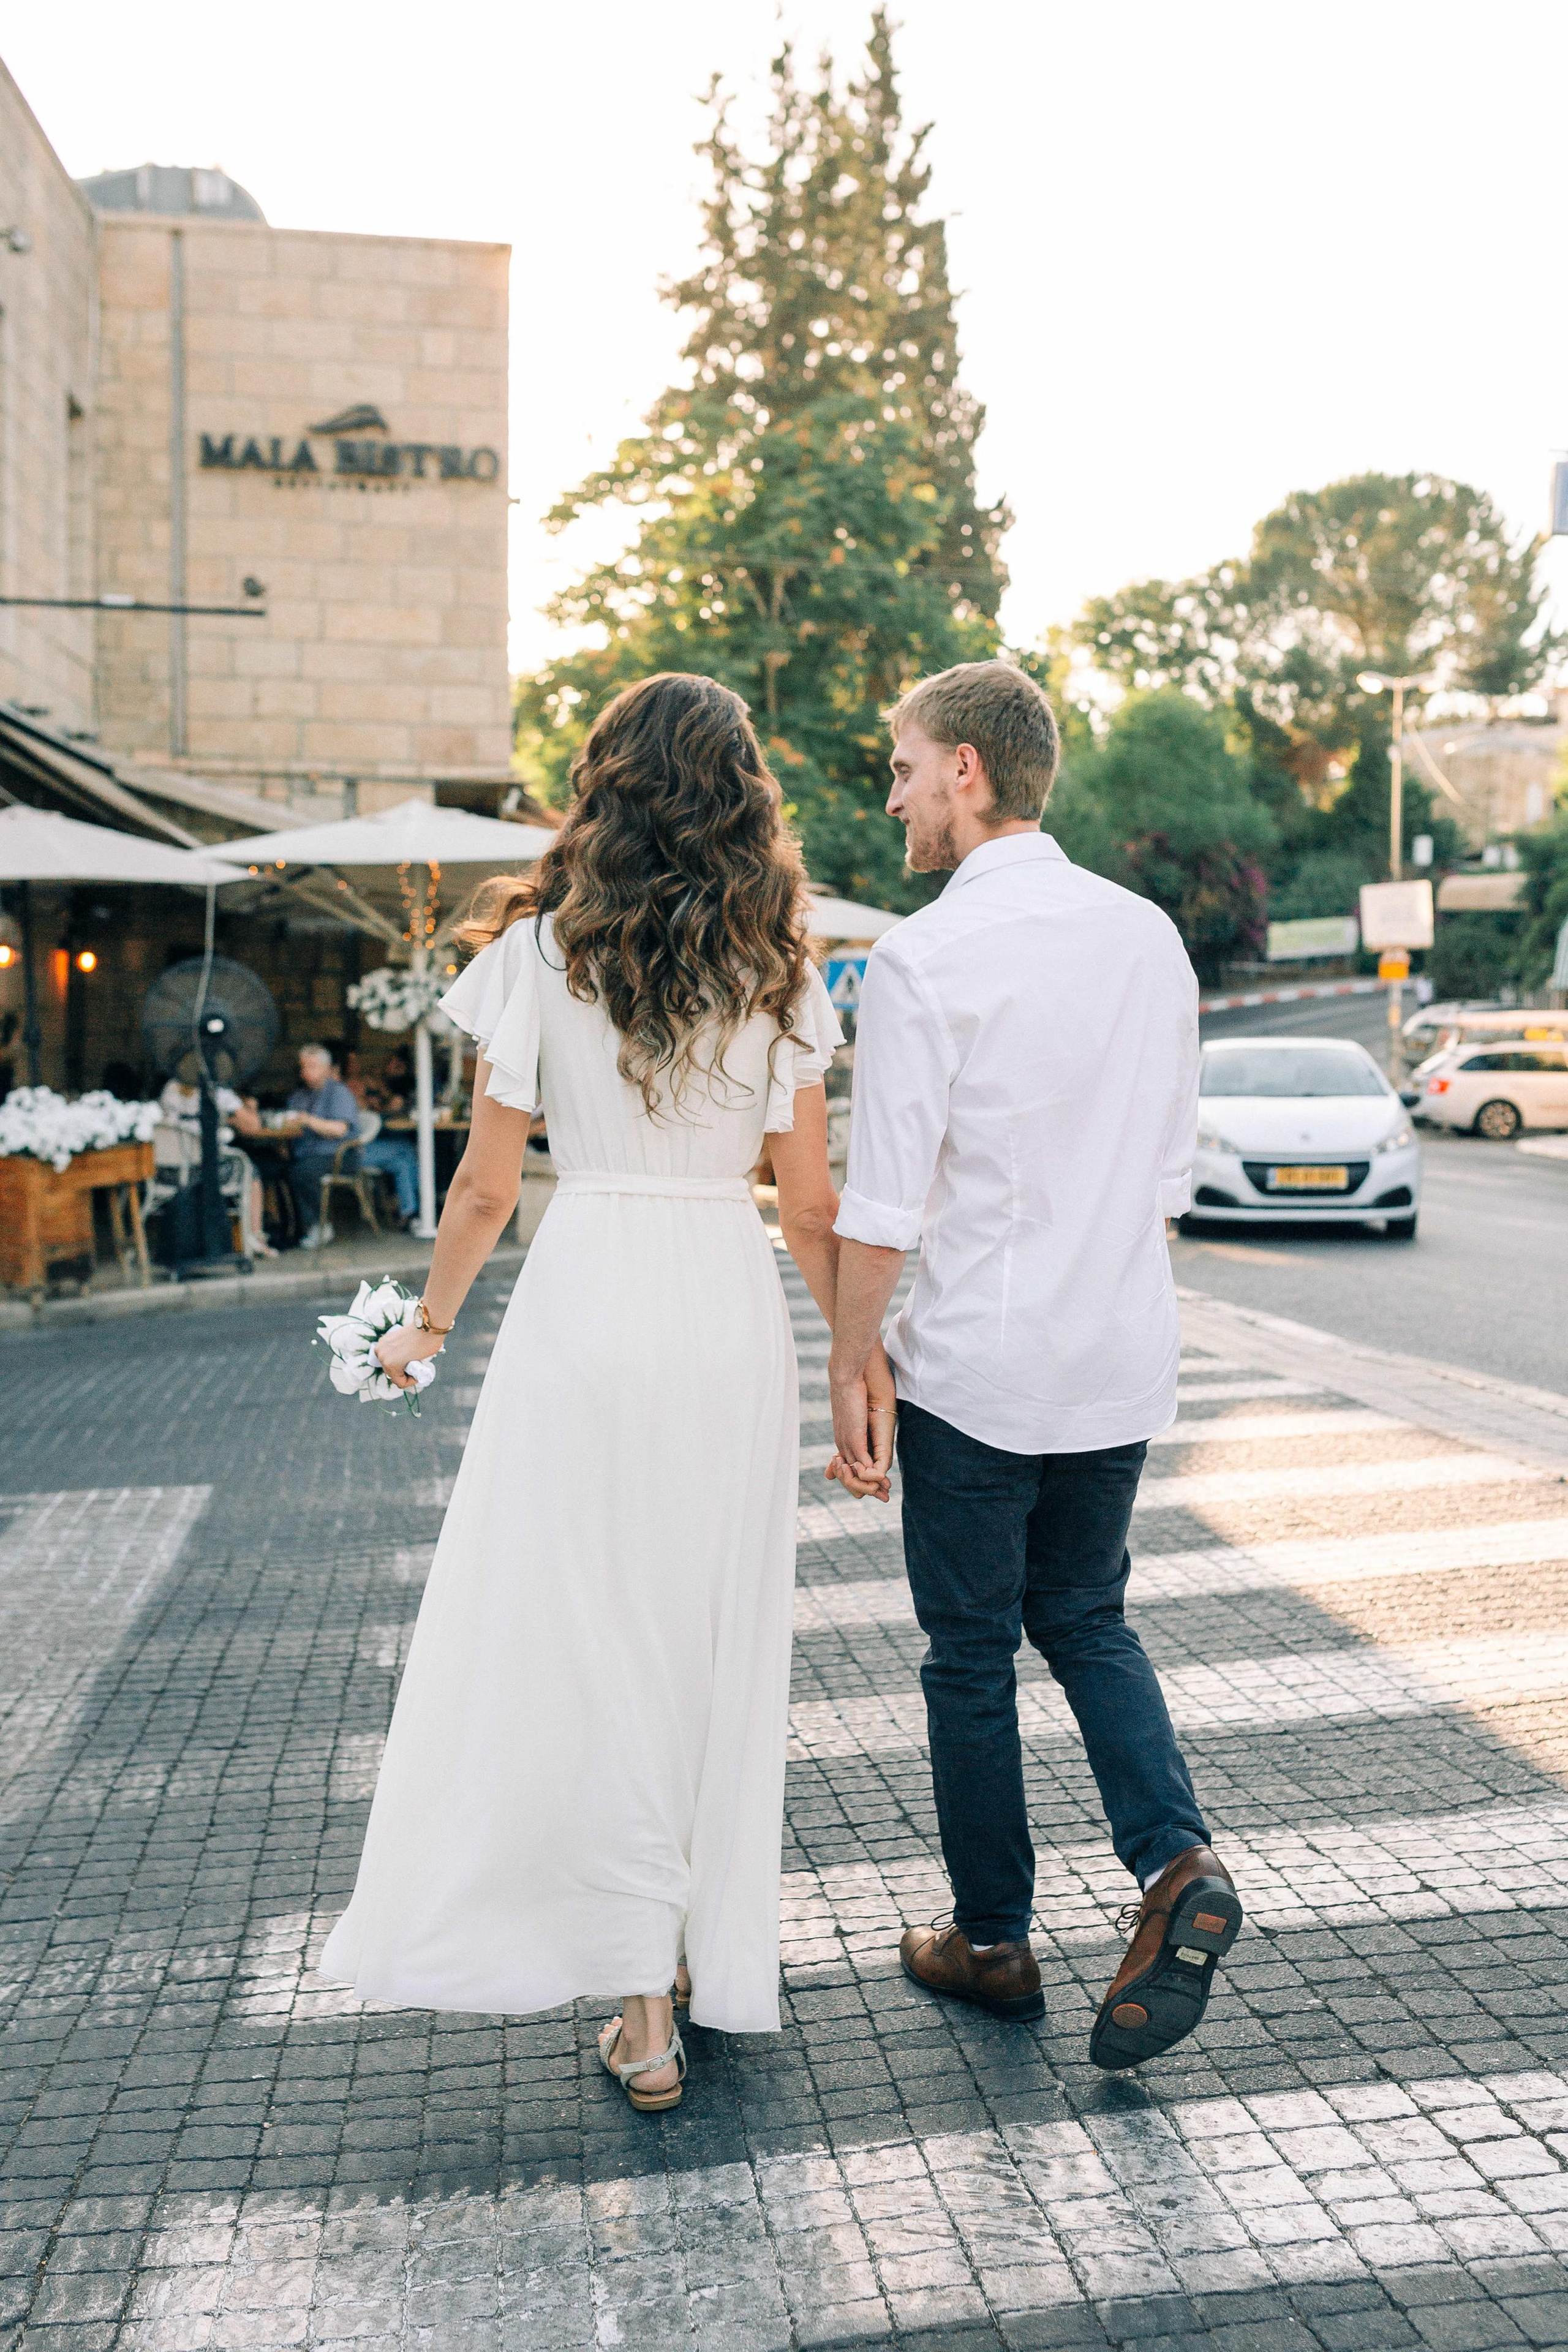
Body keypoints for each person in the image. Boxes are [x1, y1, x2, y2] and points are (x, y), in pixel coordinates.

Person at [318, 673, 896, 2111]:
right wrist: (853, 1354)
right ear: (743, 786)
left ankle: (643, 2005)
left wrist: (426, 1326)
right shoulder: (781, 955)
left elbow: (486, 1180)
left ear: (608, 777)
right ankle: (690, 1946)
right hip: (720, 1295)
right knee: (706, 1636)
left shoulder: (539, 939)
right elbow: (808, 1200)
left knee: (596, 1637)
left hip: (585, 1294)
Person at [825, 660, 1242, 2072]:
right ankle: (1172, 1864)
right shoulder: (1147, 942)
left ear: (968, 771)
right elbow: (1168, 1172)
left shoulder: (921, 958)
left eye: (902, 764)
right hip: (1115, 1351)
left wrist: (846, 1356)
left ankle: (991, 1941)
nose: (888, 792)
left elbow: (880, 1204)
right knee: (1086, 1619)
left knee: (966, 1654)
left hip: (978, 1369)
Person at [157, 1071, 274, 1257]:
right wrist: (250, 1107)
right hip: (204, 1172)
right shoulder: (217, 1092)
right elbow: (253, 1127)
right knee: (249, 1171)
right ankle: (255, 1238)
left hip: (168, 1173)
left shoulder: (169, 1089)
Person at [285, 1042, 359, 1248]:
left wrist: (308, 1120)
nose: (305, 1072)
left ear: (327, 1068)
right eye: (303, 1067)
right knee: (282, 1169)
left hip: (339, 1155)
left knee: (302, 1172)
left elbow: (339, 1130)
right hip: (307, 1153)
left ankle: (320, 1226)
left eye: (312, 1066)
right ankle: (291, 1229)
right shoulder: (299, 1096)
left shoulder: (338, 1092)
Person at [342, 1050, 420, 1228]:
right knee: (407, 1148)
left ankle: (409, 1213)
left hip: (367, 1141)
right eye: (352, 1061)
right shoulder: (342, 1088)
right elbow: (361, 1109)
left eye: (357, 1060)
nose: (357, 1065)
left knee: (403, 1162)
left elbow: (387, 1100)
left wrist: (377, 1092)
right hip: (353, 1149)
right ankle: (420, 1207)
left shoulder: (367, 1081)